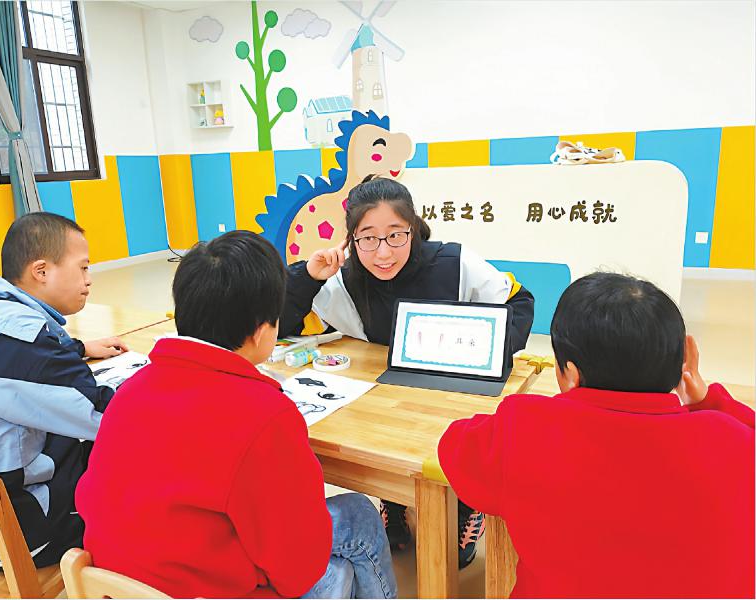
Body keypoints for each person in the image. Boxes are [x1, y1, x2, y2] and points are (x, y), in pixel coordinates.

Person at [76, 231, 397, 599]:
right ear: (261, 332)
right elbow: (297, 570)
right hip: (204, 590)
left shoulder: (130, 391)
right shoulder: (264, 415)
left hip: (116, 586)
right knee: (354, 521)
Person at [438, 272, 755, 597]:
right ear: (683, 361)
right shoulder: (733, 441)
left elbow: (453, 447)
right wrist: (708, 401)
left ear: (571, 374)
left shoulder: (524, 427)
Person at [280, 176, 535, 568]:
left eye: (396, 235)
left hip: (451, 389)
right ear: (351, 239)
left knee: (461, 445)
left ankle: (467, 505)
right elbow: (283, 325)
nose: (383, 252)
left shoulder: (454, 263)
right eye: (368, 238)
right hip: (387, 396)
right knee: (378, 434)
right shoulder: (343, 280)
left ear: (413, 228)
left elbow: (518, 300)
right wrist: (308, 276)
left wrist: (486, 353)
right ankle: (394, 502)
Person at [0, 213, 127, 567]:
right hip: (14, 534)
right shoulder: (26, 345)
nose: (89, 279)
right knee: (119, 442)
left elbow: (5, 364)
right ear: (41, 271)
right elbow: (102, 415)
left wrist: (78, 348)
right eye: (83, 268)